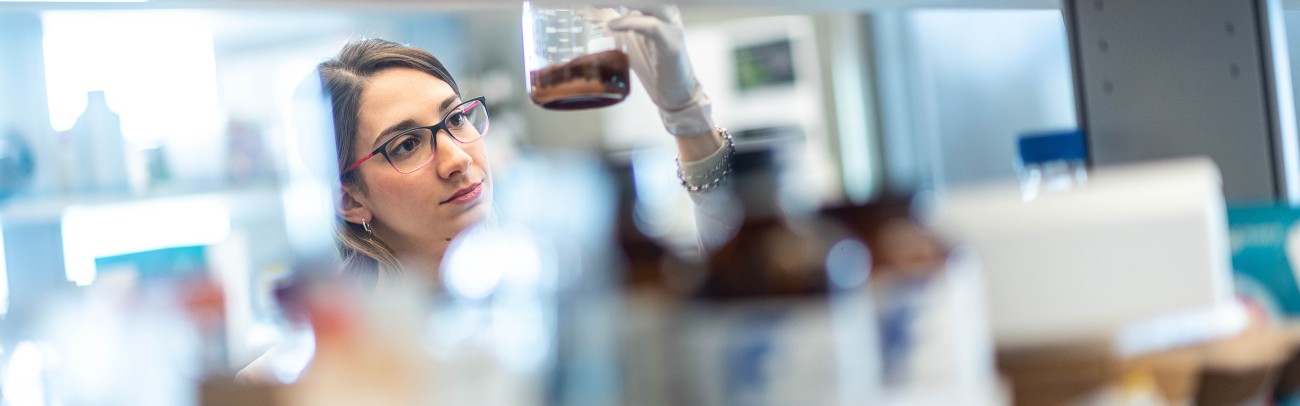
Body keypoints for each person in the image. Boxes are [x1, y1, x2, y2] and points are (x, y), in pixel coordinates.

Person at [322, 6, 733, 280]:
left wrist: (687, 115)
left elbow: (729, 279)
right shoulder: (340, 358)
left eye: (457, 118)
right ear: (350, 200)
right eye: (406, 145)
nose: (457, 159)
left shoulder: (550, 281)